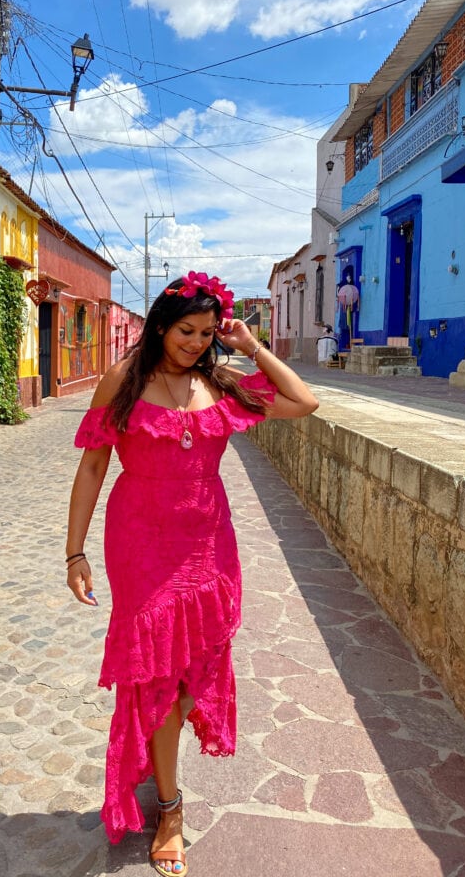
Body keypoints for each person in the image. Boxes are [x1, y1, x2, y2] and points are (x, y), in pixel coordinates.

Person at [66, 272, 319, 876]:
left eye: (208, 333)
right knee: (154, 675)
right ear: (159, 325)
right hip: (140, 546)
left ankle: (161, 772)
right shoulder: (123, 380)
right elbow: (94, 466)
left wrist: (250, 347)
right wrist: (74, 552)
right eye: (187, 331)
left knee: (187, 678)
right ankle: (171, 808)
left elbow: (305, 403)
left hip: (207, 547)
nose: (197, 343)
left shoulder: (222, 382)